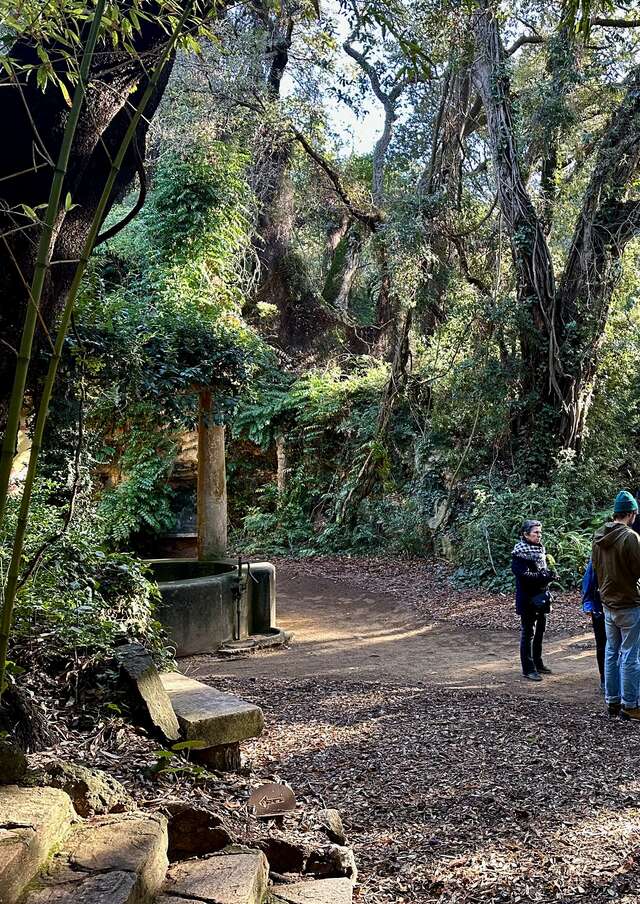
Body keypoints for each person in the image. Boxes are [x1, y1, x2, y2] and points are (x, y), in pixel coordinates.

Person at [592, 490, 640, 719]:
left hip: (608, 603)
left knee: (612, 652)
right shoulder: (631, 537)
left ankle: (612, 702)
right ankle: (630, 705)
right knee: (630, 655)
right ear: (631, 514)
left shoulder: (598, 535)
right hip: (629, 603)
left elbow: (596, 569)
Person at [511, 520, 556, 681]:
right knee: (528, 633)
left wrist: (549, 576)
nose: (539, 535)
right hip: (528, 599)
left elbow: (539, 572)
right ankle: (528, 669)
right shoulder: (519, 554)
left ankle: (538, 662)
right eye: (535, 532)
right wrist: (543, 576)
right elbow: (524, 576)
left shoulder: (538, 550)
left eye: (540, 532)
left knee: (540, 632)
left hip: (541, 597)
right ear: (525, 534)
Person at [581, 557, 606, 691]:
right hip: (600, 606)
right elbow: (588, 580)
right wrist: (588, 604)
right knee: (603, 644)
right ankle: (605, 679)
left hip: (625, 606)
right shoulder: (598, 552)